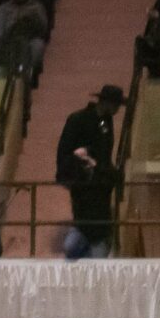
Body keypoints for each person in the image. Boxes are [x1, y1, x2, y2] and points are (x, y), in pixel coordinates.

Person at [56, 85, 124, 260]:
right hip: (85, 183)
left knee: (91, 229)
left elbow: (104, 154)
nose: (117, 109)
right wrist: (84, 161)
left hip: (98, 184)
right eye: (115, 104)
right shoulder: (79, 120)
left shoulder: (105, 123)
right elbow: (65, 154)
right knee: (89, 229)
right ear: (107, 103)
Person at [0, 0, 48, 72]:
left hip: (31, 38)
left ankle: (29, 73)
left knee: (37, 45)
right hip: (9, 38)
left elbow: (43, 27)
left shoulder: (37, 7)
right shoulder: (4, 8)